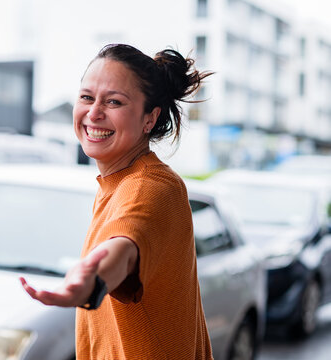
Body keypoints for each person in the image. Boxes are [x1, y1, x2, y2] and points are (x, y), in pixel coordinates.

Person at [20, 43, 213, 359]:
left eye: (114, 101)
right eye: (86, 97)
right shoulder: (116, 181)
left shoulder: (150, 186)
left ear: (149, 118)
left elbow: (123, 245)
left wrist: (92, 279)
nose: (94, 112)